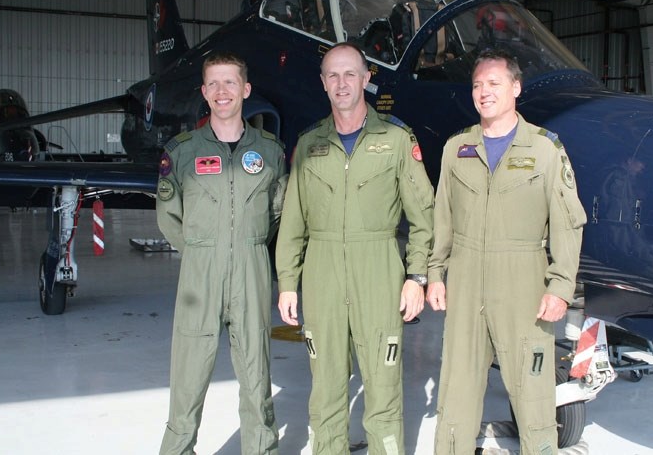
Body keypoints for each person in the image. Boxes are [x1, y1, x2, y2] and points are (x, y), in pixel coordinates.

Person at [276, 42, 434, 455]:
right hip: (322, 273)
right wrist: (288, 283)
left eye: (350, 74)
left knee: (383, 390)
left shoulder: (397, 139)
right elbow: (293, 221)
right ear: (323, 83)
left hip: (378, 270)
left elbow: (424, 215)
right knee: (325, 388)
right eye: (333, 75)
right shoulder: (309, 144)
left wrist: (417, 276)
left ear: (366, 79)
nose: (342, 83)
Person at [427, 48, 587, 455]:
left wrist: (560, 286)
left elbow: (567, 223)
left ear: (515, 88)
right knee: (456, 389)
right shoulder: (456, 148)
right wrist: (435, 273)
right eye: (478, 85)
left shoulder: (545, 149)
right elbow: (441, 217)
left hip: (524, 282)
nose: (484, 92)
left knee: (532, 391)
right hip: (464, 280)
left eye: (494, 83)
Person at [156, 51, 287, 455]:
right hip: (201, 272)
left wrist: (246, 246)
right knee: (188, 378)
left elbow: (278, 212)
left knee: (256, 376)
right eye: (213, 83)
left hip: (251, 269)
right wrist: (203, 249)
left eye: (230, 82)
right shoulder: (181, 152)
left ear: (245, 89)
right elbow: (168, 217)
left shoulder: (270, 151)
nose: (221, 91)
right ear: (204, 92)